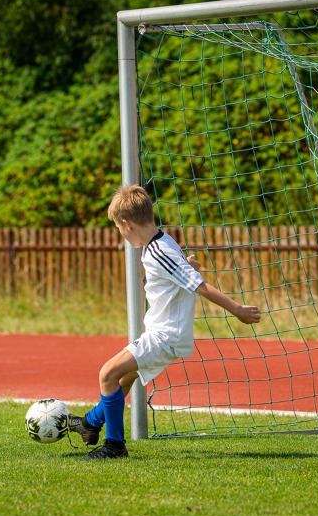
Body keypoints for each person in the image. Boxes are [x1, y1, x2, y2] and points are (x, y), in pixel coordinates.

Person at [69, 185, 261, 459]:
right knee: (122, 378)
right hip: (166, 334)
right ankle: (90, 423)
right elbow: (180, 274)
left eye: (119, 228)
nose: (121, 234)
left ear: (128, 223)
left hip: (164, 336)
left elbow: (200, 286)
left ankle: (114, 446)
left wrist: (237, 309)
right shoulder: (162, 241)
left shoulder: (158, 251)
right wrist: (188, 265)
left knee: (107, 374)